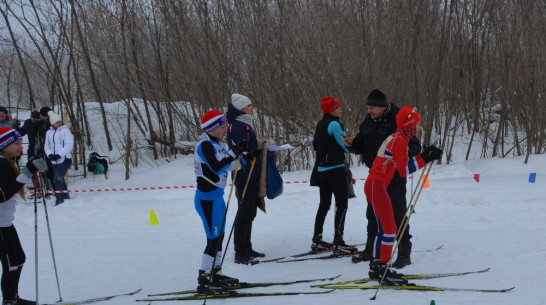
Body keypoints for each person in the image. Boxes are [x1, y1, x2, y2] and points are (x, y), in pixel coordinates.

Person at [363, 106, 442, 284]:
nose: (419, 128)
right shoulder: (399, 141)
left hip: (376, 185)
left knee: (383, 228)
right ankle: (383, 268)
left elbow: (403, 164)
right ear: (410, 126)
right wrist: (427, 157)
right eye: (417, 124)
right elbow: (403, 171)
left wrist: (425, 155)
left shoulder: (399, 138)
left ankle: (376, 266)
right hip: (377, 186)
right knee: (390, 230)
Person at [344, 89, 421, 268]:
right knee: (372, 213)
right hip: (376, 174)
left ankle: (404, 252)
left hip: (395, 174)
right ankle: (371, 250)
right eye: (368, 107)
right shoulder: (369, 121)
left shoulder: (399, 118)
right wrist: (351, 144)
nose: (369, 111)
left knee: (397, 211)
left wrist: (404, 155)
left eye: (373, 108)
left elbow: (415, 146)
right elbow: (361, 144)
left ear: (383, 106)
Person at [194, 109, 250, 294]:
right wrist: (233, 154)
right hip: (207, 199)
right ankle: (204, 277)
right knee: (213, 238)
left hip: (217, 198)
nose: (226, 130)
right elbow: (217, 167)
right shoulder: (205, 145)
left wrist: (241, 154)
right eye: (223, 127)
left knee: (220, 237)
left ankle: (216, 273)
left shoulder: (218, 144)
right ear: (213, 128)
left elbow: (231, 164)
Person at [0, 127, 48, 305]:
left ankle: (13, 298)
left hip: (5, 222)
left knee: (19, 258)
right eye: (16, 144)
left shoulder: (7, 162)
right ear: (4, 145)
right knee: (11, 263)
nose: (20, 147)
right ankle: (9, 301)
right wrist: (26, 173)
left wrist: (30, 170)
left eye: (21, 143)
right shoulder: (1, 164)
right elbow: (3, 194)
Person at [310, 97, 358, 254]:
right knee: (342, 205)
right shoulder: (334, 123)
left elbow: (316, 144)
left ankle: (317, 240)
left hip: (322, 170)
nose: (341, 110)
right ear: (332, 110)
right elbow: (344, 144)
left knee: (324, 204)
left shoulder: (321, 123)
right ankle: (339, 241)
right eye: (339, 108)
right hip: (336, 169)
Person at [226, 93, 265, 265]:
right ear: (241, 108)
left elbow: (247, 147)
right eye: (249, 105)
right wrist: (251, 154)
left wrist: (256, 149)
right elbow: (238, 151)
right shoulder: (238, 125)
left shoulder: (245, 123)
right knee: (244, 212)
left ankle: (247, 246)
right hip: (243, 174)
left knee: (250, 211)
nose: (252, 108)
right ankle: (240, 252)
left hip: (252, 172)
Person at [44, 113, 73, 205]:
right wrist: (50, 155)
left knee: (57, 178)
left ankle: (60, 199)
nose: (59, 123)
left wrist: (59, 154)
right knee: (58, 178)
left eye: (60, 121)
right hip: (54, 160)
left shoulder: (65, 131)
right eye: (57, 122)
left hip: (64, 159)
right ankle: (65, 196)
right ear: (53, 123)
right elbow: (46, 145)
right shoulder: (49, 132)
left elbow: (69, 145)